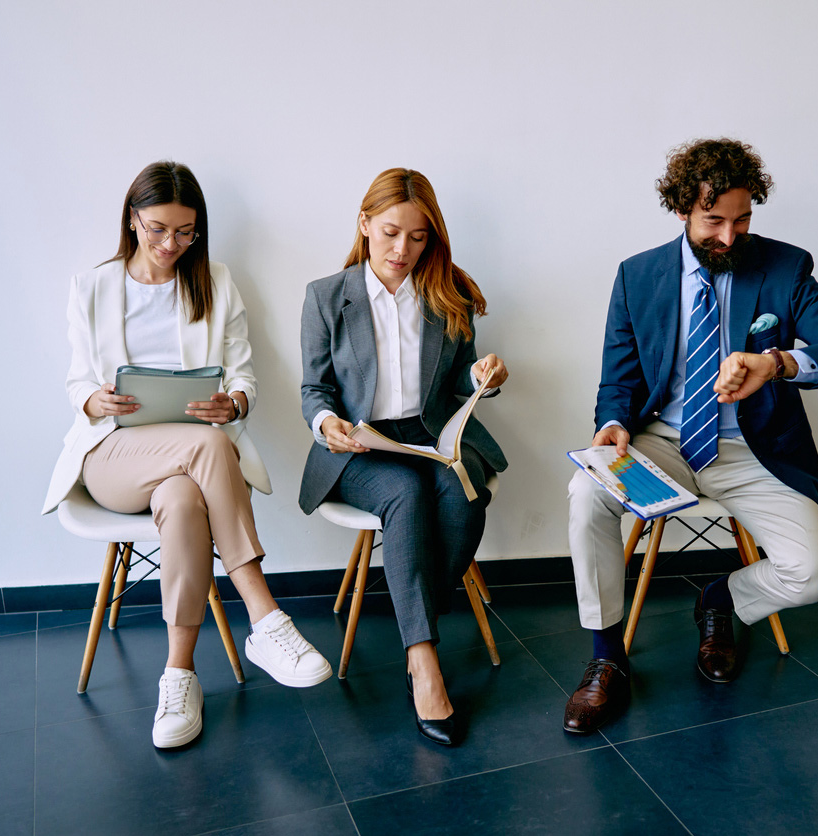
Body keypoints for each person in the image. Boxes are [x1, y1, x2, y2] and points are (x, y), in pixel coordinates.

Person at [562, 139, 818, 734]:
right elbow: (619, 380)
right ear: (683, 208)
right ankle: (606, 659)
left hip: (754, 449)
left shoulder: (785, 268)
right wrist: (611, 425)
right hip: (663, 440)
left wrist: (781, 363)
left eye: (742, 220)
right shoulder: (638, 277)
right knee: (587, 495)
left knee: (816, 573)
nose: (730, 237)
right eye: (714, 221)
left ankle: (719, 602)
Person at [42, 161, 332, 749]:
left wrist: (236, 402)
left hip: (189, 468)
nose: (170, 244)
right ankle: (265, 617)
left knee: (182, 496)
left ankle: (179, 676)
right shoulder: (91, 287)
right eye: (157, 229)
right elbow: (76, 383)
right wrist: (95, 399)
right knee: (204, 446)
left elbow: (244, 372)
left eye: (184, 231)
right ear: (132, 220)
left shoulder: (216, 282)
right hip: (113, 456)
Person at [298, 168, 508, 746]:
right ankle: (423, 660)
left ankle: (417, 615)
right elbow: (313, 389)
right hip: (359, 448)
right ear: (365, 225)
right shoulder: (326, 296)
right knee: (406, 494)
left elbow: (460, 388)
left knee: (466, 496)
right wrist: (326, 423)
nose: (402, 250)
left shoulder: (448, 294)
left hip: (427, 435)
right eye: (391, 233)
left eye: (418, 237)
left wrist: (484, 376)